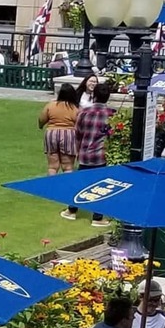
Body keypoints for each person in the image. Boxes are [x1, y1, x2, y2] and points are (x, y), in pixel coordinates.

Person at [59, 83, 114, 227]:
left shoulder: (84, 112)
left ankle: (72, 210)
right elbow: (111, 135)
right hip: (100, 155)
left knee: (80, 183)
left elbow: (77, 134)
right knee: (100, 186)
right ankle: (97, 217)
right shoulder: (111, 114)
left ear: (94, 96)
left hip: (84, 153)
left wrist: (77, 151)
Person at [39, 83, 80, 175]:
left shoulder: (51, 105)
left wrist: (41, 126)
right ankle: (67, 186)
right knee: (68, 167)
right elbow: (78, 123)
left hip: (52, 133)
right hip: (68, 134)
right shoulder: (74, 108)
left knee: (52, 166)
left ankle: (50, 186)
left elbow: (42, 119)